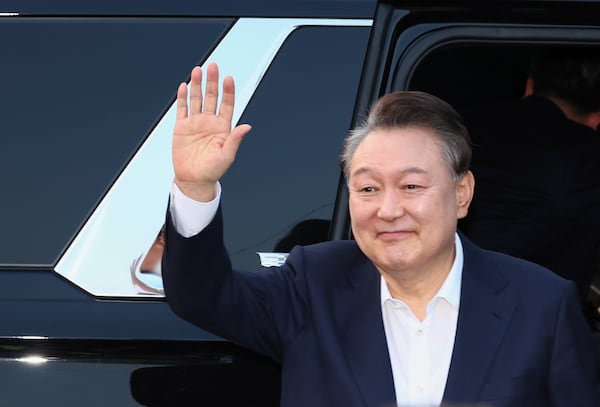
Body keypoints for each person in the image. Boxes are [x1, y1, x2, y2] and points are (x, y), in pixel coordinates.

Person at [162, 63, 599, 406]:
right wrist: (196, 187)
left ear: (462, 194)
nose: (388, 210)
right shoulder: (312, 285)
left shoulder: (541, 302)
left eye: (411, 186)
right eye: (368, 188)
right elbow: (201, 294)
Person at [458, 48, 600, 307]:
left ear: (529, 85)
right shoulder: (585, 156)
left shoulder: (458, 127)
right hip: (528, 322)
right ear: (597, 117)